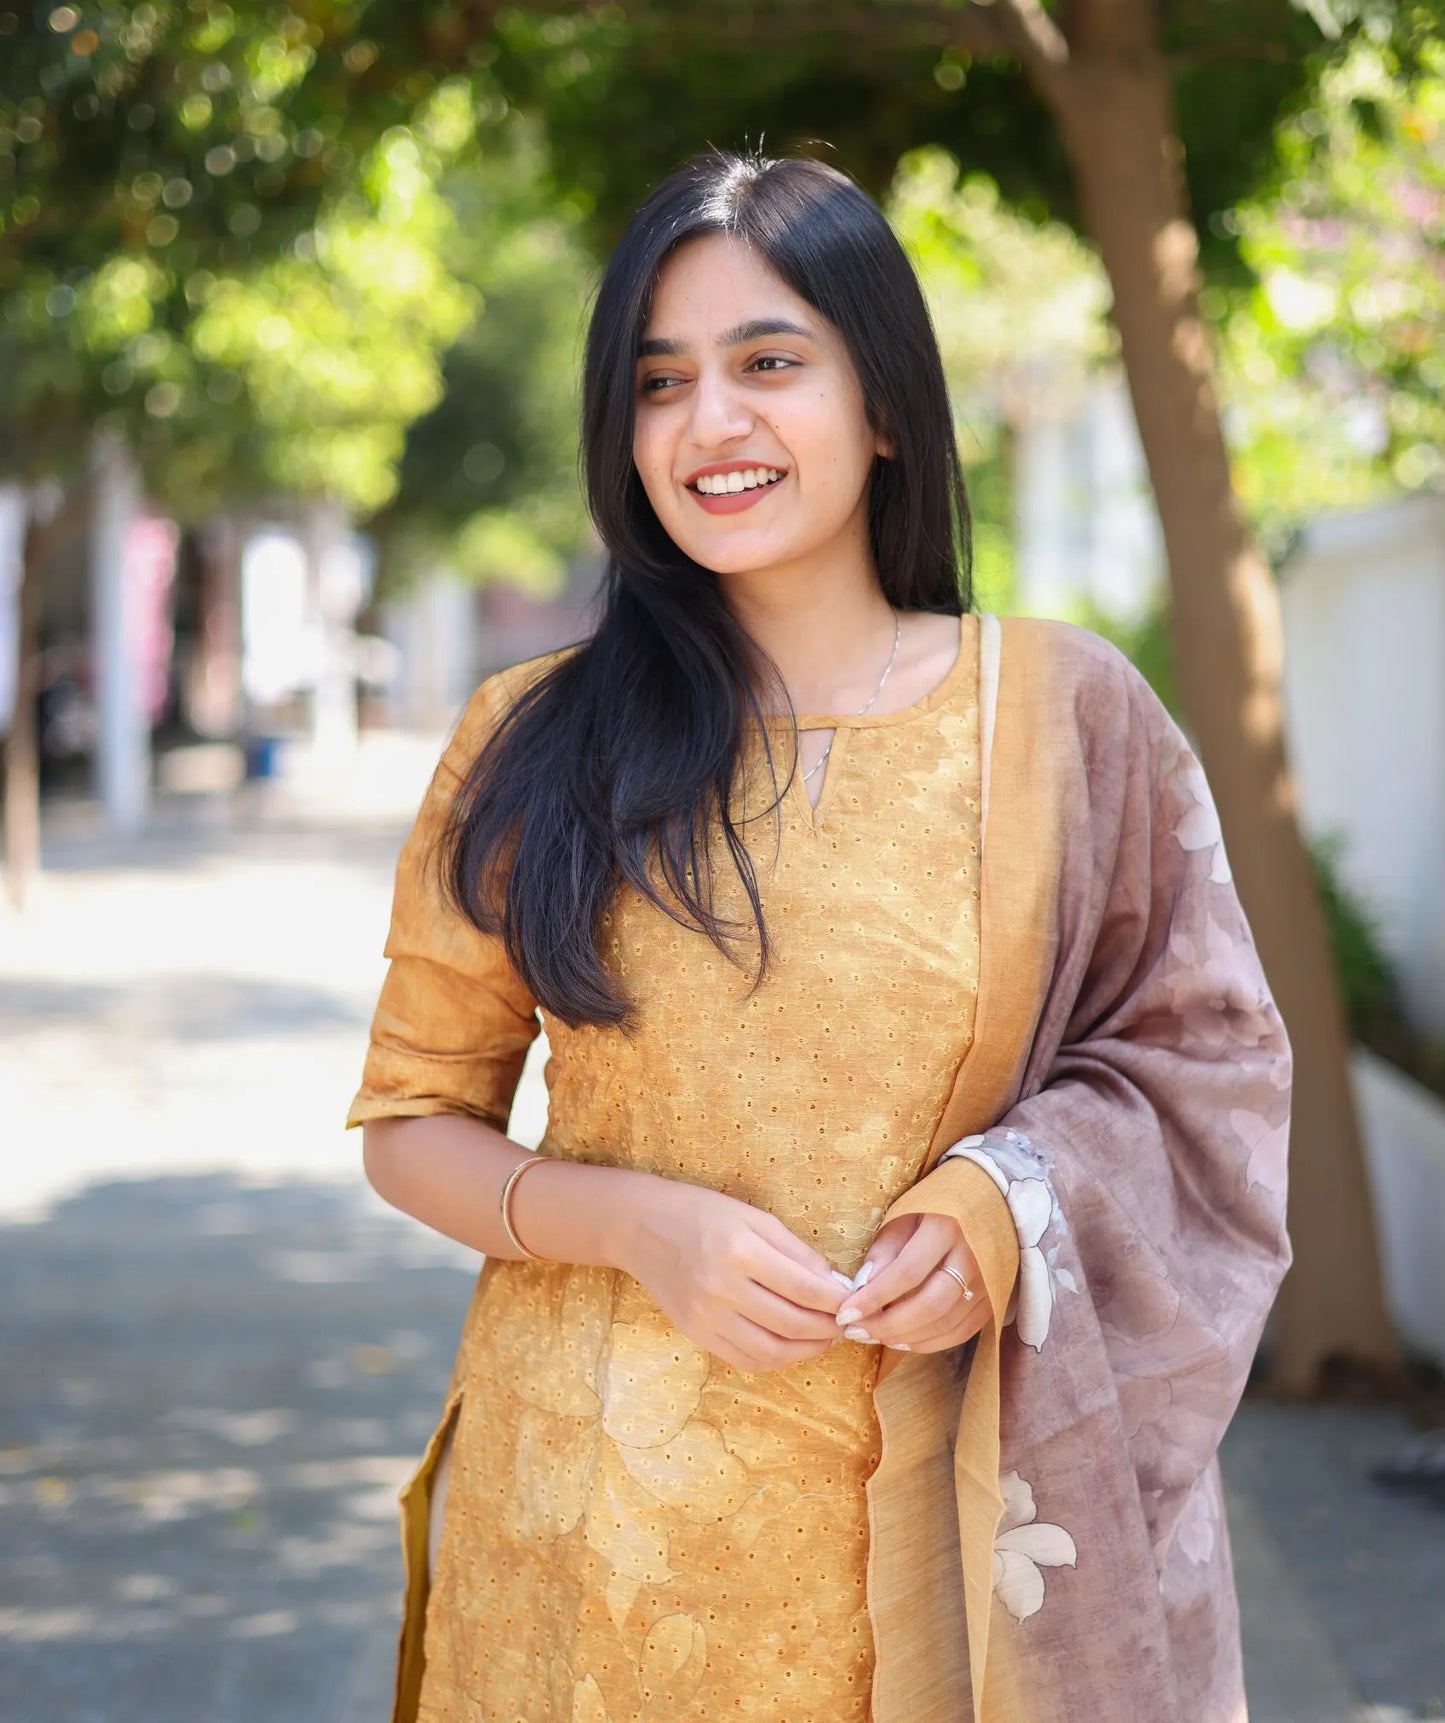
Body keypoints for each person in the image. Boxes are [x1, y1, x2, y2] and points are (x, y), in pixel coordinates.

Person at [348, 150, 1292, 1723]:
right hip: (587, 1549)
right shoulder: (534, 739)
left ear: (881, 406)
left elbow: (1207, 1071)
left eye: (767, 363)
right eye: (660, 383)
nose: (710, 423)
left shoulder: (1059, 718)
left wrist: (1005, 1207)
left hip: (951, 1537)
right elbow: (408, 1128)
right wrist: (638, 1224)